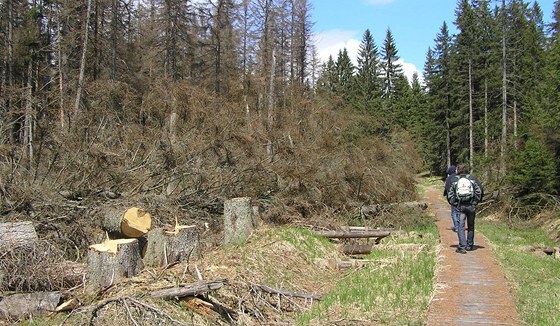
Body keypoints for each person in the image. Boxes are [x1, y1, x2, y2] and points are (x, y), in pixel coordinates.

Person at [447, 164, 484, 254]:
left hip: (460, 206)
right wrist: (475, 202)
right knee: (471, 226)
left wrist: (454, 203)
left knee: (461, 226)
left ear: (458, 170)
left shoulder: (454, 179)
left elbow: (450, 193)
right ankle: (470, 245)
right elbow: (480, 191)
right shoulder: (472, 178)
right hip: (471, 206)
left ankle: (462, 247)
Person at [443, 165, 459, 232]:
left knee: (454, 213)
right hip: (460, 197)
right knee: (459, 213)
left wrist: (445, 194)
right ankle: (460, 226)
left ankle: (456, 227)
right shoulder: (459, 177)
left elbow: (446, 188)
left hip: (453, 198)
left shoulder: (449, 179)